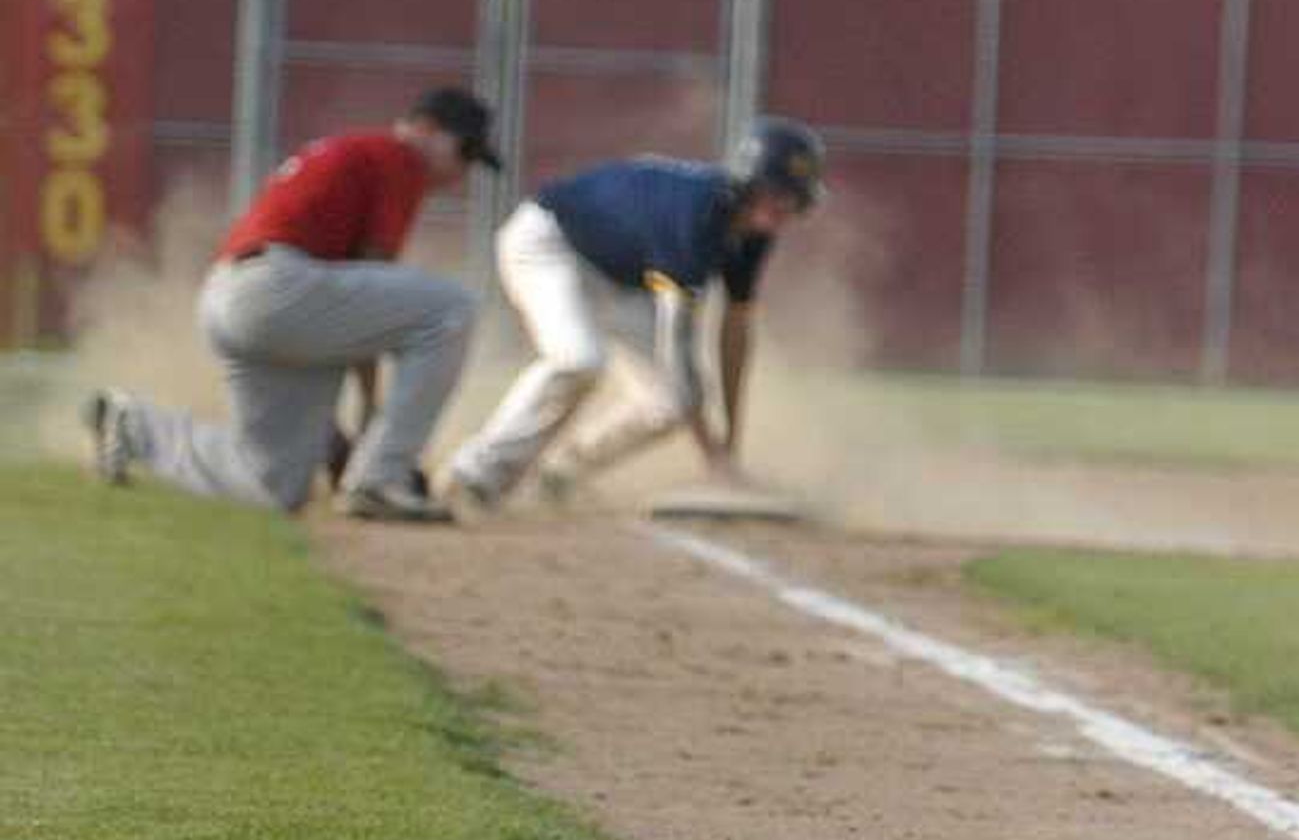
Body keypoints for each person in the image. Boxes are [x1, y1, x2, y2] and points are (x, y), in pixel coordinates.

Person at [83, 87, 498, 523]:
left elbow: (356, 308)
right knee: (451, 308)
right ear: (426, 129)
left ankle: (134, 425)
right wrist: (371, 424)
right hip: (277, 289)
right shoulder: (398, 158)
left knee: (270, 485)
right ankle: (381, 478)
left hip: (236, 296)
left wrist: (337, 433)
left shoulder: (359, 152)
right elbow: (372, 283)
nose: (464, 169)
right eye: (465, 150)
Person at [437, 117, 826, 511]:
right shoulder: (695, 219)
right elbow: (679, 348)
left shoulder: (753, 234)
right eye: (777, 192)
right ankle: (474, 474)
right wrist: (714, 457)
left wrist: (731, 443)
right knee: (580, 359)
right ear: (748, 182)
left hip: (623, 278)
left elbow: (736, 328)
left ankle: (561, 473)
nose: (786, 206)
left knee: (669, 401)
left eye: (794, 197)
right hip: (549, 242)